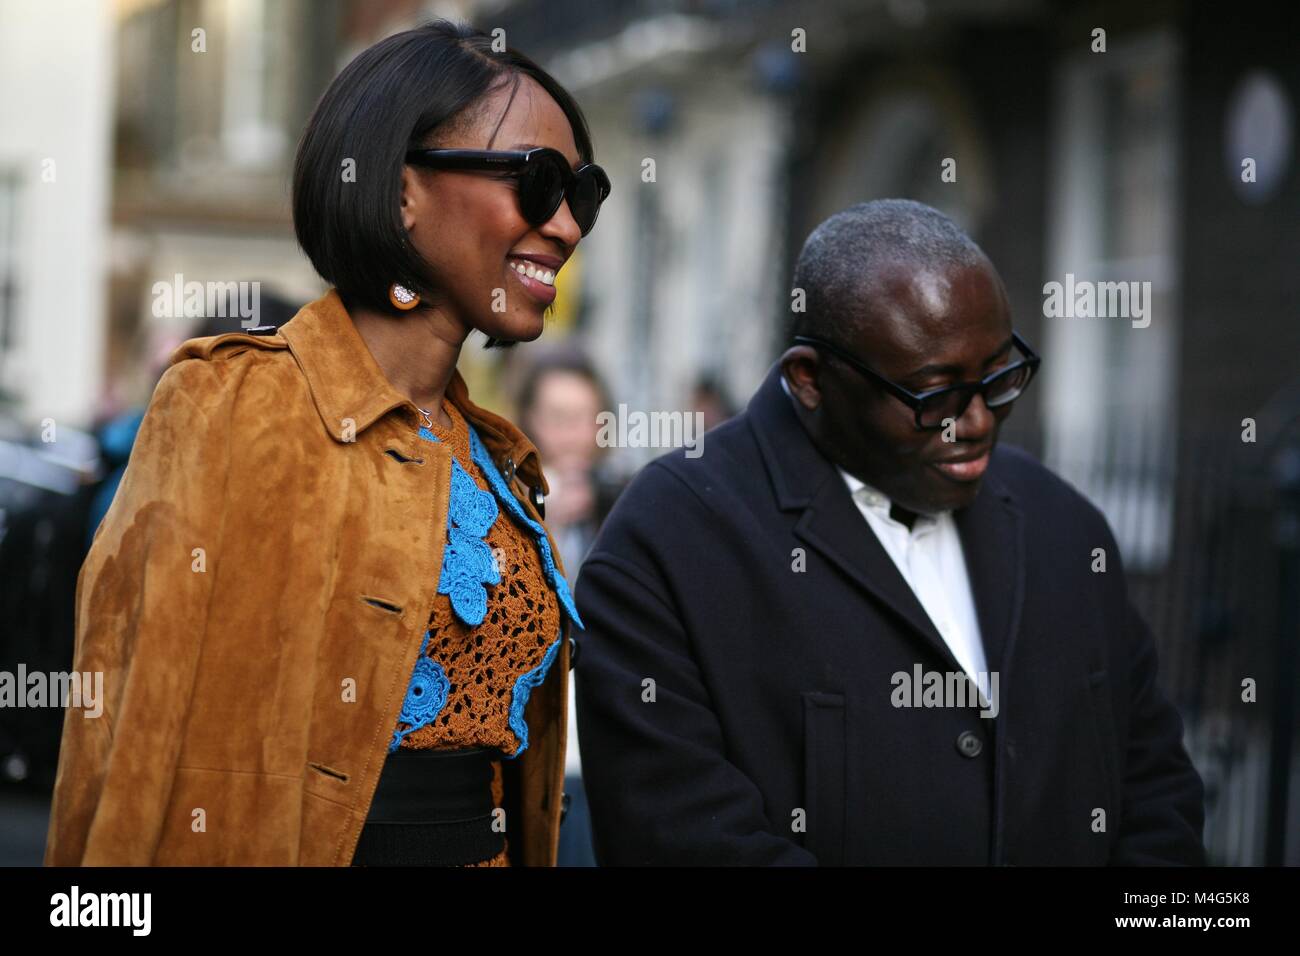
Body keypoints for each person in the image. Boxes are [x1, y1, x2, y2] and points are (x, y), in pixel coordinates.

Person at [44, 19, 610, 867]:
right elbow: (128, 731)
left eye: (584, 195)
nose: (565, 226)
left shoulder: (501, 462)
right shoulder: (231, 401)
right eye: (537, 182)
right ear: (400, 190)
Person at [574, 199, 1205, 866]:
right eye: (933, 395)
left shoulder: (1066, 526)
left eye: (998, 376)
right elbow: (681, 840)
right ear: (810, 379)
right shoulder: (669, 542)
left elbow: (1155, 792)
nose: (980, 421)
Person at [515, 349, 623, 866]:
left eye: (587, 420)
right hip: (530, 750)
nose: (575, 436)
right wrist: (544, 522)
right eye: (559, 419)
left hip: (603, 750)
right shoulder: (504, 503)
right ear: (530, 420)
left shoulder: (625, 507)